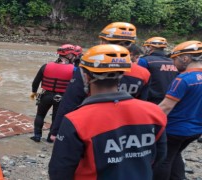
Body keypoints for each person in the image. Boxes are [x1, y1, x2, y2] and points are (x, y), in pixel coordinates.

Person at [48, 44, 167, 180]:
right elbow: (159, 156)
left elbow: (60, 170)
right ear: (122, 75)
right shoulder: (154, 112)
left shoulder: (75, 120)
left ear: (86, 77)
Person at [49, 22, 150, 141]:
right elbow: (141, 105)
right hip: (124, 128)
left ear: (103, 42)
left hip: (90, 127)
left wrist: (56, 131)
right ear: (130, 44)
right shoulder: (143, 73)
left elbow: (70, 101)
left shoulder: (87, 69)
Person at [153, 41, 202, 180]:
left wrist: (145, 121)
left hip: (175, 129)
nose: (173, 63)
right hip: (196, 130)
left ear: (185, 58)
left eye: (174, 59)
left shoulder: (183, 79)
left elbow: (165, 107)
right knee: (175, 154)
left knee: (164, 159)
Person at [29, 44, 75, 143]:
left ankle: (37, 136)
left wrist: (33, 92)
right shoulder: (74, 69)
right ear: (69, 55)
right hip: (62, 97)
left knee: (40, 115)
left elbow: (36, 82)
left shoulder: (46, 66)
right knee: (56, 118)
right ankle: (51, 138)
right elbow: (76, 86)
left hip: (46, 95)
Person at [138, 37, 178, 104]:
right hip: (169, 100)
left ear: (150, 47)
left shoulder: (144, 61)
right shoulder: (174, 62)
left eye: (146, 47)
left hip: (149, 100)